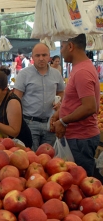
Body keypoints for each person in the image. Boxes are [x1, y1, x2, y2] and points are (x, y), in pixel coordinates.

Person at [52, 34, 100, 176]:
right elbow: (75, 101)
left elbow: (90, 107)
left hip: (81, 139)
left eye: (61, 47)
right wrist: (59, 113)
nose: (60, 52)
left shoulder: (82, 72)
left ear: (71, 46)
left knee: (81, 184)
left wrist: (63, 121)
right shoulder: (79, 68)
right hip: (77, 138)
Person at [14, 43, 65, 151]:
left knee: (48, 160)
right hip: (29, 123)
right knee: (31, 159)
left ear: (49, 56)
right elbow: (16, 99)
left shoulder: (56, 74)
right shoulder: (24, 74)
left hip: (50, 123)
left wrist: (59, 102)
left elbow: (61, 92)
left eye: (44, 55)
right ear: (32, 57)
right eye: (37, 55)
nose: (41, 58)